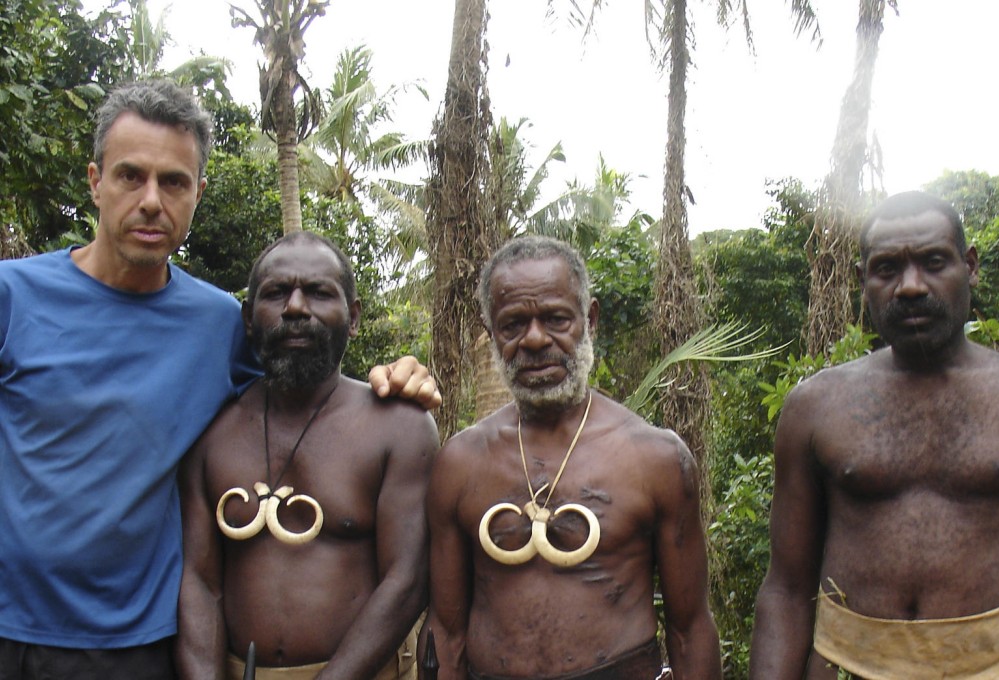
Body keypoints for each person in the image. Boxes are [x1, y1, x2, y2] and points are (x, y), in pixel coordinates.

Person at [0, 79, 437, 680]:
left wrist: (397, 378)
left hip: (134, 644)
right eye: (131, 176)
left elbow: (308, 379)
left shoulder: (216, 325)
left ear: (198, 193)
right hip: (9, 628)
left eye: (174, 182)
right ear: (95, 181)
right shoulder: (13, 297)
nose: (152, 200)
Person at [750, 191, 999, 679]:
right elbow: (788, 588)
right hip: (848, 667)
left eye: (933, 262)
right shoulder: (817, 406)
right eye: (887, 268)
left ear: (971, 266)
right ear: (862, 281)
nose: (910, 286)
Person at [426, 236, 721, 680]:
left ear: (590, 319)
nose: (535, 339)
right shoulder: (462, 463)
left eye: (556, 319)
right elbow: (445, 635)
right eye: (513, 325)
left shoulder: (654, 459)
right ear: (491, 335)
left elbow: (690, 628)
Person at [176, 231, 440, 680]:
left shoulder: (399, 427)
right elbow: (199, 584)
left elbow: (407, 580)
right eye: (276, 293)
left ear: (353, 317)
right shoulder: (211, 432)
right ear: (248, 318)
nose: (296, 308)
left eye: (319, 293)